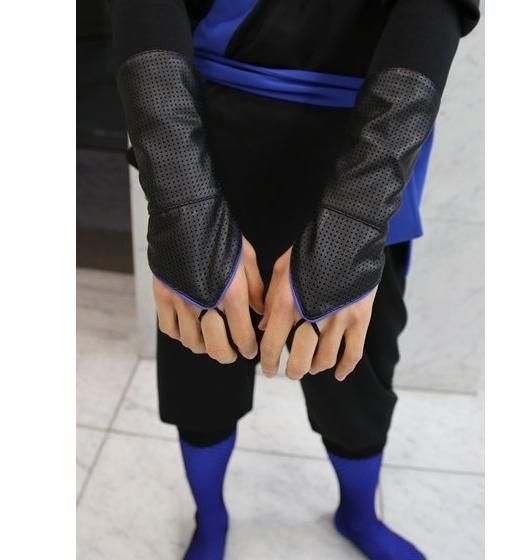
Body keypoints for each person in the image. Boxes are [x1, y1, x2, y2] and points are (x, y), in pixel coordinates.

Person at [111, 1, 480, 558]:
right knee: (200, 373)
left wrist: (353, 224)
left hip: (363, 153)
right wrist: (184, 204)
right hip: (210, 152)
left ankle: (358, 514)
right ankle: (211, 517)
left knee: (357, 381)